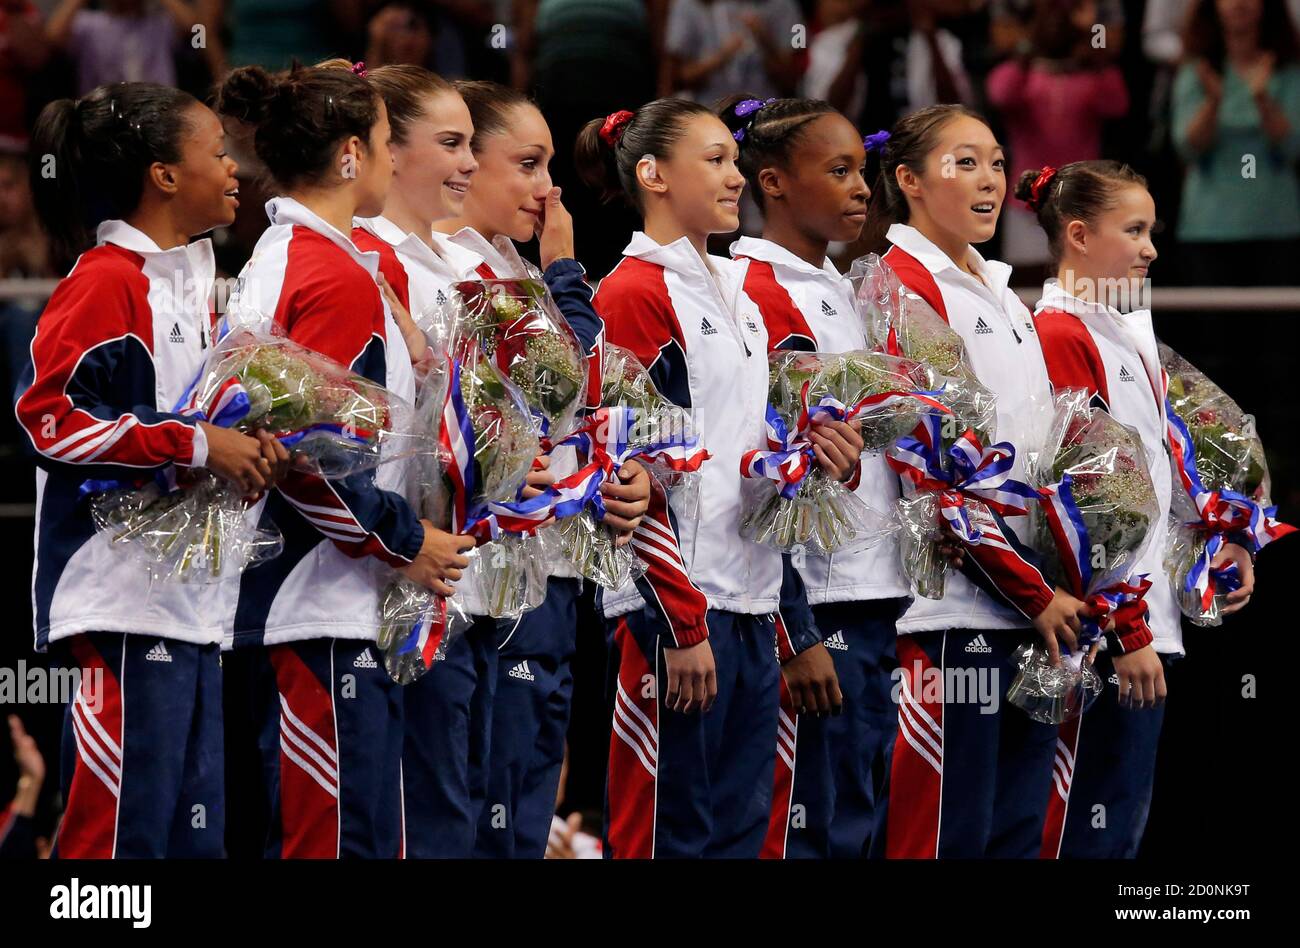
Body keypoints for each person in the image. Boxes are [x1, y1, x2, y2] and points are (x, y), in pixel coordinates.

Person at [575, 97, 864, 857]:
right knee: (669, 835)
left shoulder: (738, 295)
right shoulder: (634, 293)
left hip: (749, 606)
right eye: (715, 160)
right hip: (673, 614)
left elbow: (749, 467)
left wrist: (808, 448)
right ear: (653, 173)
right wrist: (681, 622)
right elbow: (631, 470)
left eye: (735, 160)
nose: (736, 177)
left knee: (744, 838)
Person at [17, 80, 288, 857]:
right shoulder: (106, 280)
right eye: (216, 152)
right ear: (164, 175)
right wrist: (199, 444)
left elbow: (192, 422)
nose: (235, 167)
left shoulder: (195, 283)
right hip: (122, 604)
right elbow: (46, 418)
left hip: (191, 603)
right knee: (117, 843)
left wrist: (247, 443)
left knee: (190, 841)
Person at [213, 62, 468, 858]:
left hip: (323, 597)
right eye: (391, 142)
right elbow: (304, 459)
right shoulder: (324, 272)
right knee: (338, 843)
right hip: (314, 604)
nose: (396, 162)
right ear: (353, 155)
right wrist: (406, 540)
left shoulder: (306, 256)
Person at [862, 103, 1094, 858]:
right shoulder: (898, 285)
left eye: (996, 160)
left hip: (1033, 613)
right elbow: (933, 477)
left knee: (1016, 837)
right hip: (946, 620)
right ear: (910, 181)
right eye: (965, 162)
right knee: (941, 839)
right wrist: (1034, 589)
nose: (990, 180)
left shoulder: (1000, 289)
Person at [433, 79, 653, 859]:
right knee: (483, 803)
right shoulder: (458, 276)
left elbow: (587, 415)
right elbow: (577, 381)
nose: (547, 187)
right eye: (527, 164)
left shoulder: (508, 272)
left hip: (547, 574)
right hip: (480, 582)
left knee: (527, 801)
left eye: (551, 165)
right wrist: (564, 272)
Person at [1018, 160, 1257, 857]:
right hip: (1101, 632)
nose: (1151, 247)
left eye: (1151, 229)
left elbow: (1160, 473)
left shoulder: (1123, 333)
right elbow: (1084, 492)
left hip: (1141, 620)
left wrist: (1221, 536)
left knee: (1119, 828)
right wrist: (1124, 628)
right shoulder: (1061, 333)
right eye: (1135, 230)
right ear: (1080, 235)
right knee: (1079, 828)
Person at [716, 94, 907, 858]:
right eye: (838, 171)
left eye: (863, 170)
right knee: (807, 823)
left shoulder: (844, 286)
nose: (863, 188)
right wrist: (793, 628)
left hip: (868, 589)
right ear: (772, 183)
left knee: (856, 817)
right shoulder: (757, 290)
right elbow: (758, 475)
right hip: (815, 602)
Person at [986, 0, 1129, 273]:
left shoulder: (1093, 76)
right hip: (1027, 203)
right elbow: (1000, 94)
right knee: (1027, 290)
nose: (1056, 28)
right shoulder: (1022, 76)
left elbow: (1117, 103)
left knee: (1081, 283)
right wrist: (1031, 43)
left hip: (1080, 201)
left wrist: (1091, 35)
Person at [1171, 0, 1300, 285]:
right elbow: (1187, 148)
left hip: (1276, 224)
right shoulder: (1198, 70)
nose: (1240, 3)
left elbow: (1292, 147)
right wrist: (1215, 102)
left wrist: (1263, 99)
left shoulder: (1289, 71)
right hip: (1209, 226)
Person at [45, 0, 194, 95]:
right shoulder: (89, 23)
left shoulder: (160, 23)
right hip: (104, 116)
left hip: (160, 113)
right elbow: (52, 38)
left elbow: (197, 31)